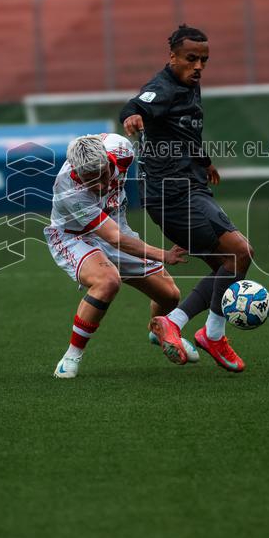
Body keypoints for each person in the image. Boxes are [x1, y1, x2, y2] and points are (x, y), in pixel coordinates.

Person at [120, 24, 254, 373]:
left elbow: (185, 130)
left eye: (204, 60)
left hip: (189, 186)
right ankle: (183, 324)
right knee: (239, 254)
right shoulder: (163, 87)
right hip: (173, 194)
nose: (198, 66)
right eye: (191, 59)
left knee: (226, 270)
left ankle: (207, 333)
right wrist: (132, 117)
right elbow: (136, 106)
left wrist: (205, 161)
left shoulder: (190, 85)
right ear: (173, 57)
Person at [47, 133, 189, 379]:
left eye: (103, 175)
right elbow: (115, 239)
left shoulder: (121, 148)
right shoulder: (68, 189)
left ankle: (160, 329)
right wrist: (164, 254)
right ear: (78, 174)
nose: (101, 185)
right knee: (107, 281)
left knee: (170, 296)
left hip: (114, 225)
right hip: (74, 236)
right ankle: (71, 356)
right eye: (91, 181)